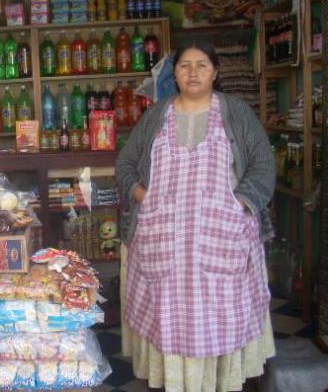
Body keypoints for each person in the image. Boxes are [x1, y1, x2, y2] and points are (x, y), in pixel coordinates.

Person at [116, 40, 276, 392]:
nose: (193, 72)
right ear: (174, 74)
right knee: (167, 316)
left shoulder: (236, 112)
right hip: (163, 238)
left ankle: (219, 382)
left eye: (202, 65)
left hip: (223, 235)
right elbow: (126, 164)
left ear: (215, 72)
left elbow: (263, 164)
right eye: (185, 65)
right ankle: (175, 382)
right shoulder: (156, 115)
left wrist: (240, 204)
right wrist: (144, 196)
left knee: (221, 314)